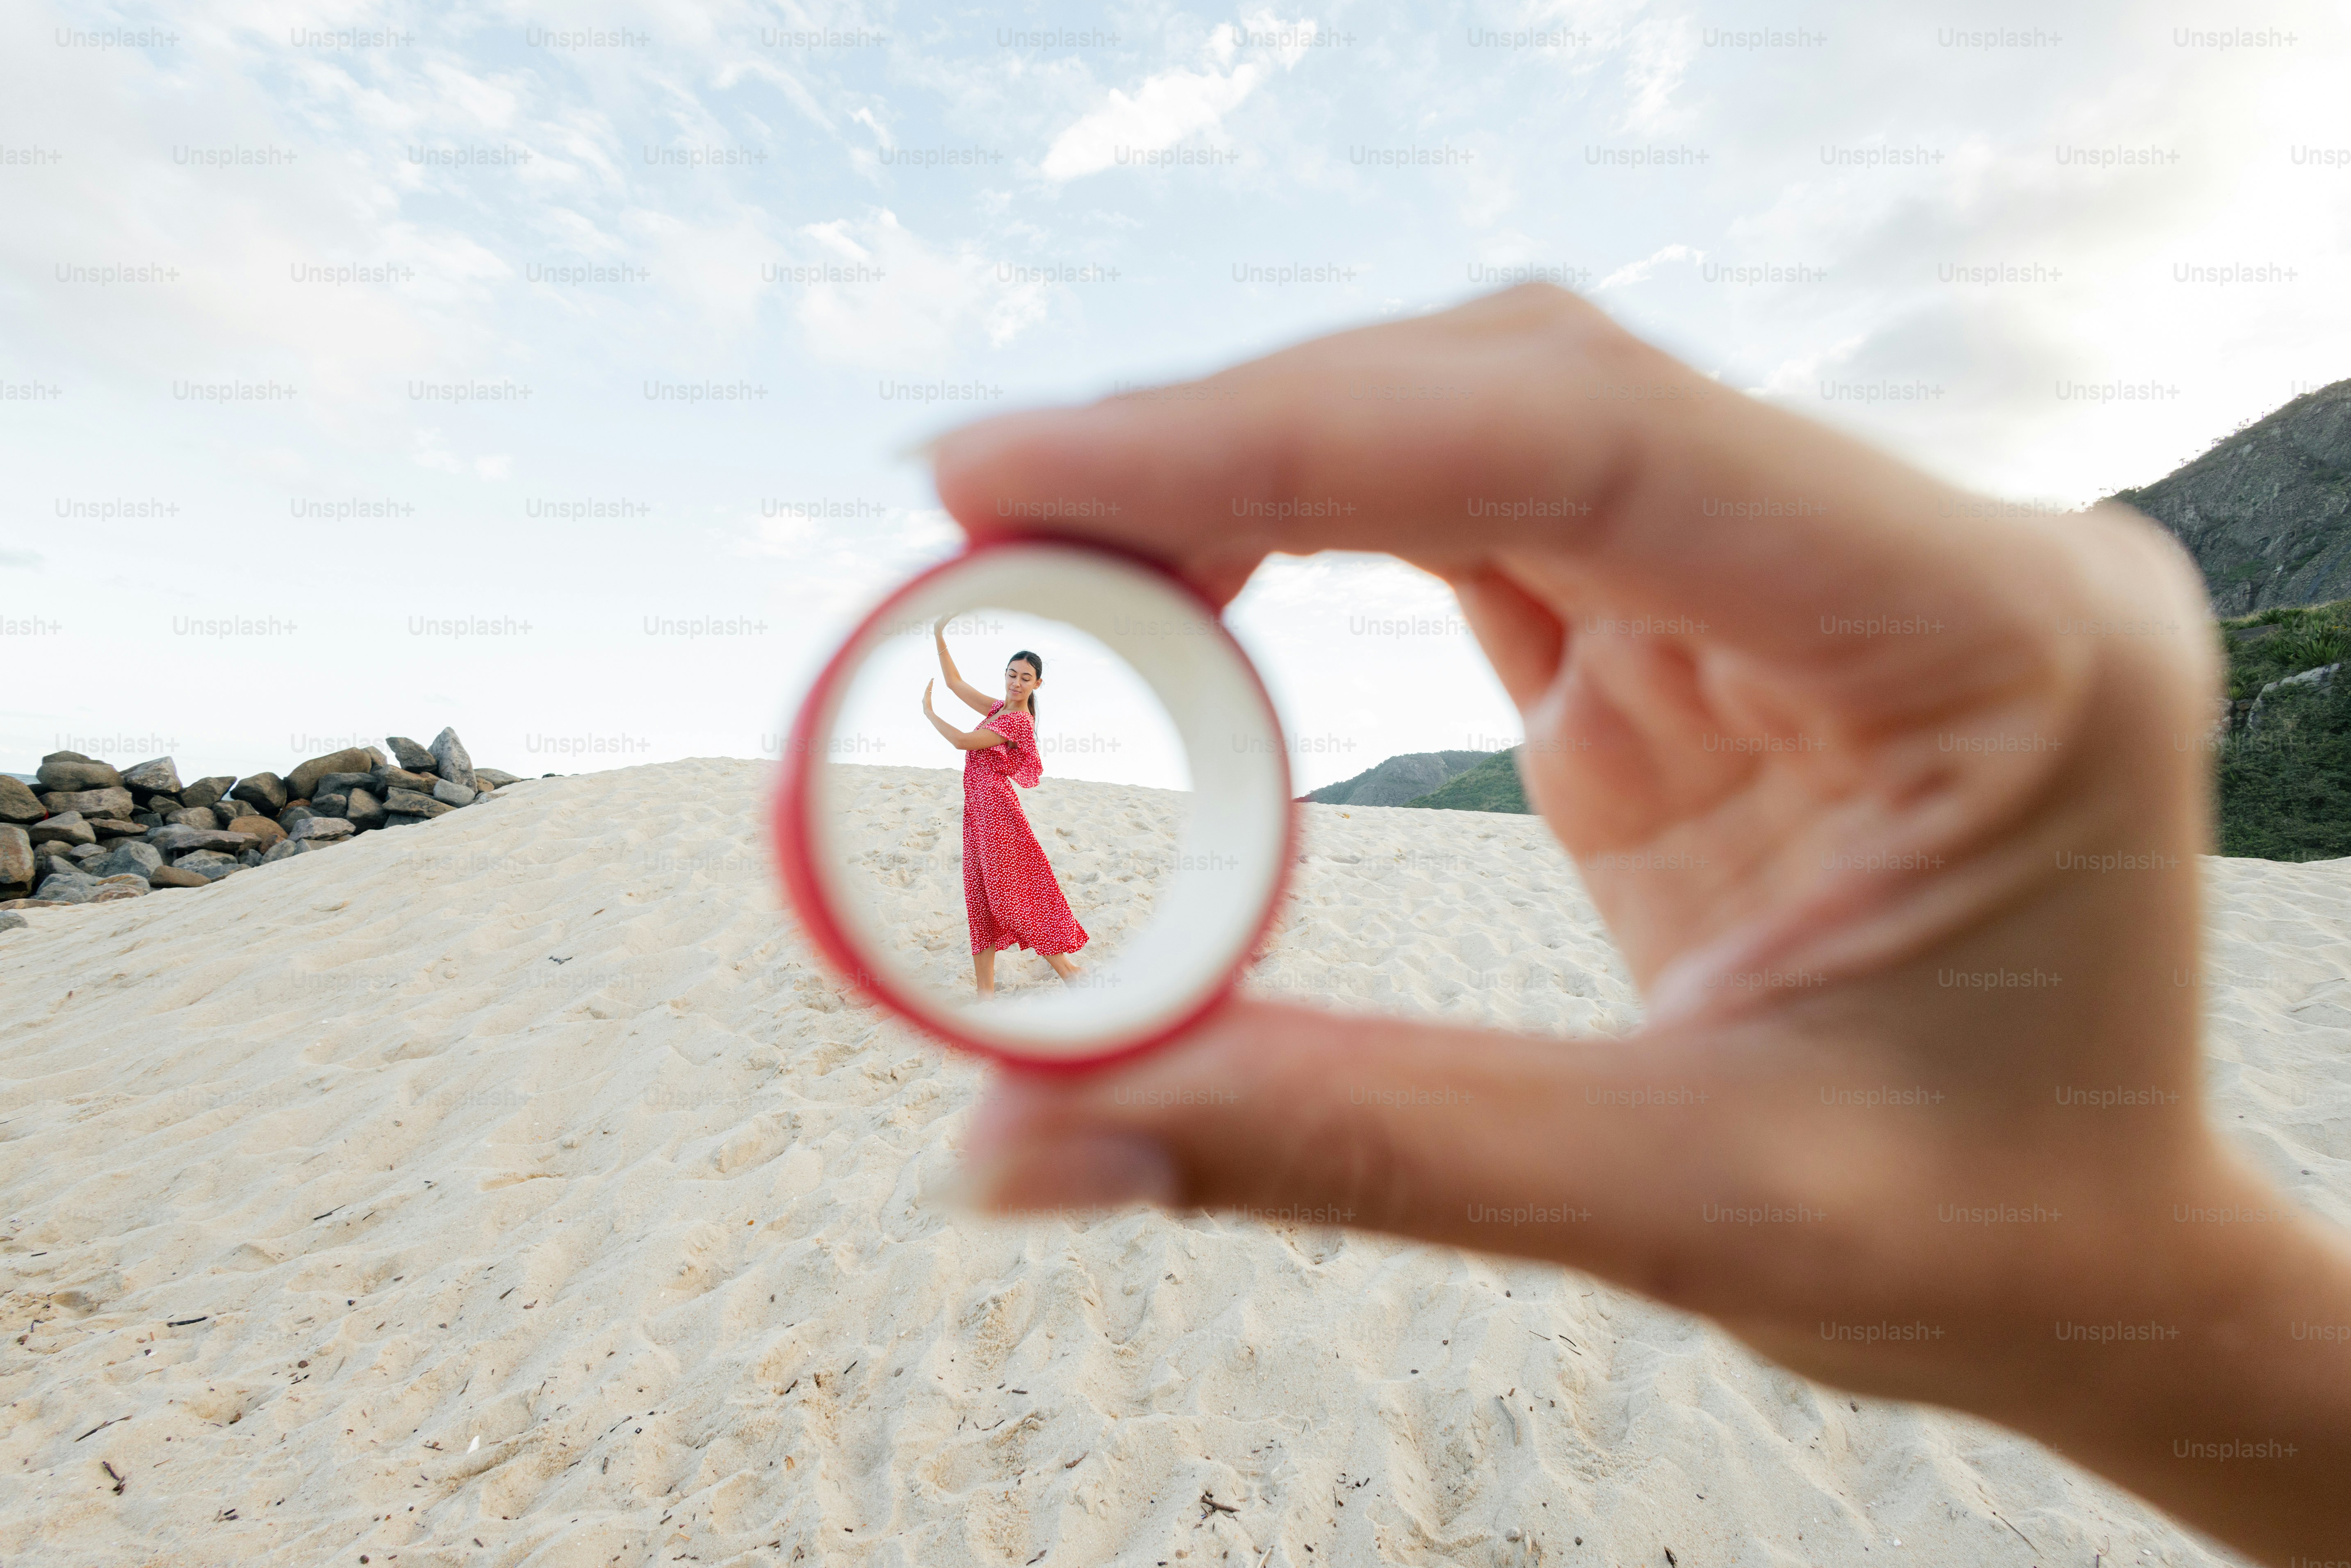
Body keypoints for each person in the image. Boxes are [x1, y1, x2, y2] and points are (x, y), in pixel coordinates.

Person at [918, 284, 2351, 1565]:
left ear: (1042, 678)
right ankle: (1005, 969)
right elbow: (957, 708)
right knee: (994, 891)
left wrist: (2133, 1288)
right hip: (982, 790)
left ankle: (1030, 964)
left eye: (1033, 669)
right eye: (1023, 666)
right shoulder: (1006, 715)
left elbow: (972, 709)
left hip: (999, 792)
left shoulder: (1019, 720)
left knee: (1020, 887)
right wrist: (2168, 1308)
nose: (1028, 679)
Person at [923, 617, 1089, 996]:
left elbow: (963, 741)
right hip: (978, 814)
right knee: (979, 898)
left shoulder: (1018, 721)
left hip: (998, 813)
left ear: (1038, 684)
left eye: (1025, 678)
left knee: (1010, 899)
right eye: (1011, 674)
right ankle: (986, 995)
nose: (1016, 682)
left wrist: (931, 715)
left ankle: (1068, 970)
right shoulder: (1000, 707)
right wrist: (939, 634)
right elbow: (955, 683)